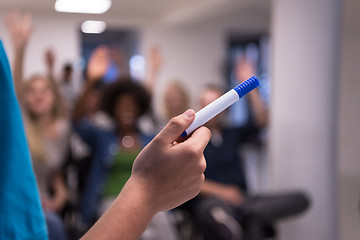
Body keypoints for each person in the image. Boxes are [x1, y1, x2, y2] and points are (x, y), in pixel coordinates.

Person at [1, 33, 211, 240]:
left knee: (162, 225)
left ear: (140, 108)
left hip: (154, 204)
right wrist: (91, 81)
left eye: (132, 106)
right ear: (112, 109)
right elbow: (77, 120)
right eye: (121, 106)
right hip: (109, 200)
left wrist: (152, 72)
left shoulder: (150, 137)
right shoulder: (102, 137)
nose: (127, 110)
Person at [5, 12, 69, 240]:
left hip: (44, 202)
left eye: (44, 90)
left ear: (53, 97)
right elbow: (13, 92)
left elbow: (53, 172)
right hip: (17, 199)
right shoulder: (20, 123)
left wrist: (61, 192)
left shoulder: (61, 130)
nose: (38, 95)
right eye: (32, 91)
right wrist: (20, 50)